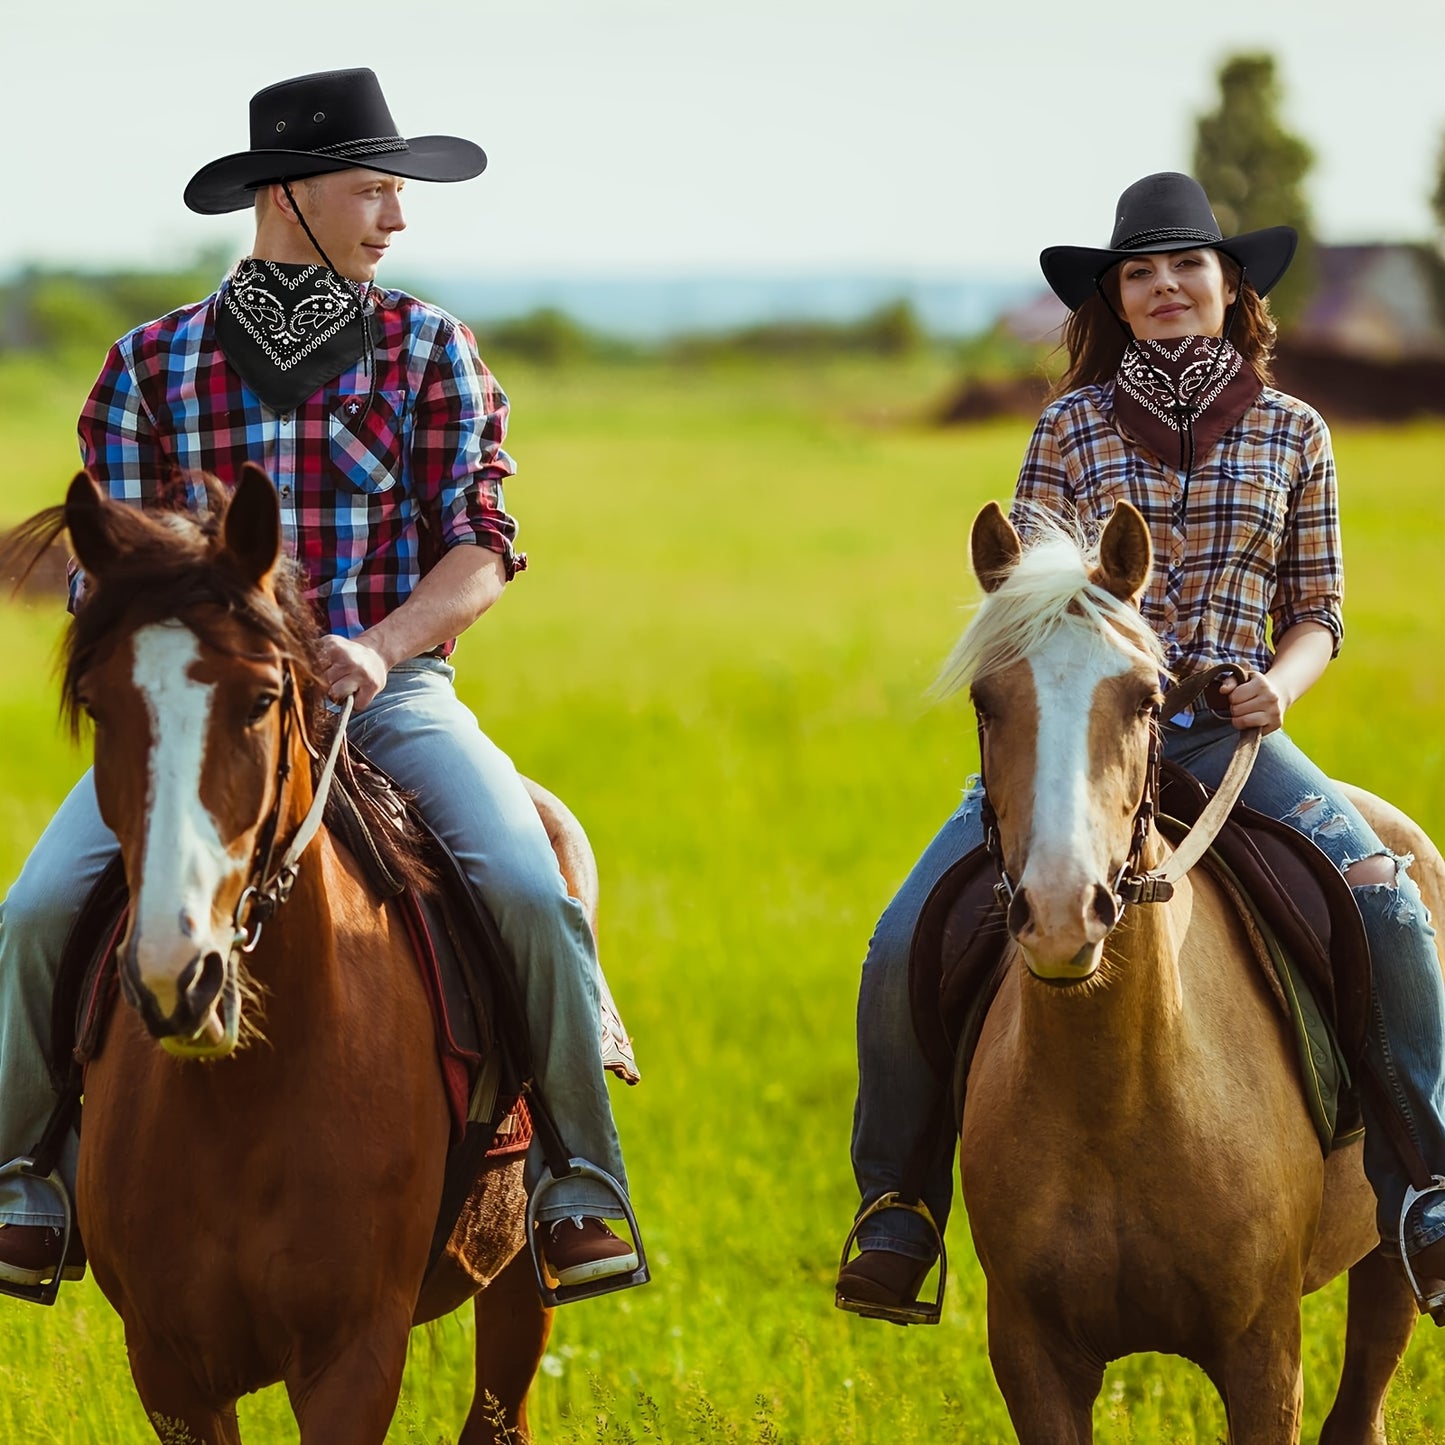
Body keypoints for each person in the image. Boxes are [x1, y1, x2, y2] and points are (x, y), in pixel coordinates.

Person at [0, 67, 642, 1298]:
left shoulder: (429, 348)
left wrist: (381, 646)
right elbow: (109, 569)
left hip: (384, 696)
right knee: (33, 912)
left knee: (524, 878)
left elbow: (481, 545)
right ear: (287, 192)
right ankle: (28, 1172)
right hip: (198, 717)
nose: (396, 218)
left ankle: (576, 1179)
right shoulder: (147, 365)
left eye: (397, 194)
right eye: (373, 189)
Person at [837, 171, 1445, 1320]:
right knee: (899, 936)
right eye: (1137, 272)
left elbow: (1316, 607)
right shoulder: (1065, 427)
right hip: (1075, 731)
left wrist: (1276, 681)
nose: (1163, 287)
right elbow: (1019, 605)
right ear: (1112, 299)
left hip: (1223, 732)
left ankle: (1426, 1185)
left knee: (1390, 902)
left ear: (1228, 287)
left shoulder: (1292, 431)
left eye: (1184, 267)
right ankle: (899, 1205)